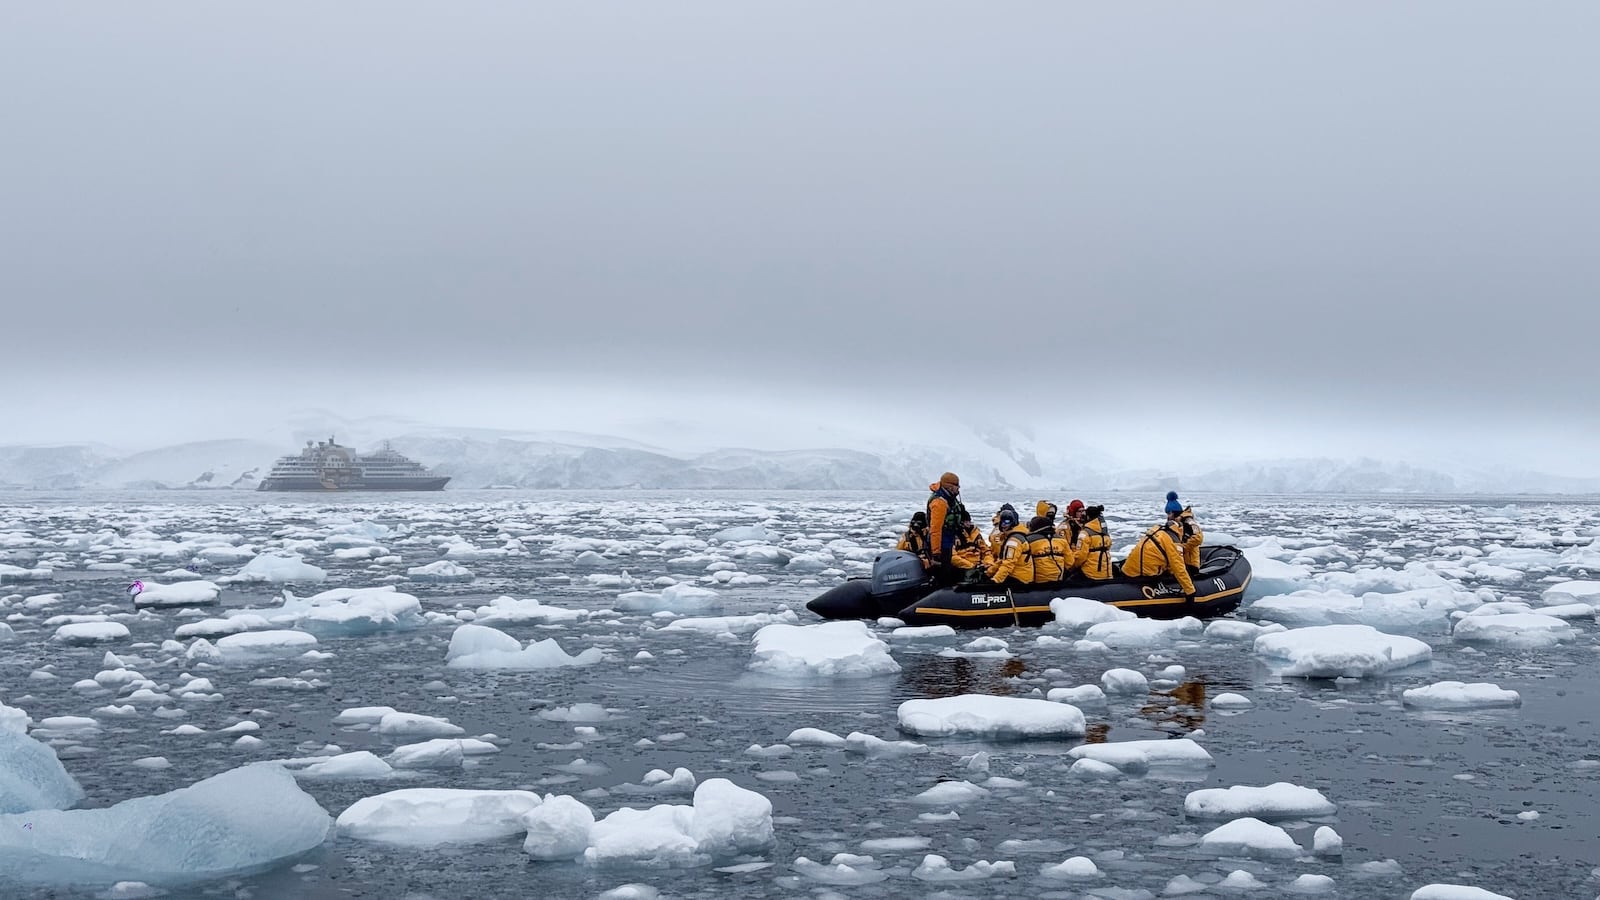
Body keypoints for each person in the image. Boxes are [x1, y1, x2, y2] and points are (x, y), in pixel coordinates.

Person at [1120, 491, 1197, 602]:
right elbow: (1178, 567)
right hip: (1142, 575)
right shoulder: (1173, 540)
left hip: (1128, 570)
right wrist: (1190, 591)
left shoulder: (1157, 529)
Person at [924, 472, 968, 574]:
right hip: (940, 543)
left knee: (948, 566)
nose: (958, 488)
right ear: (950, 486)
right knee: (943, 570)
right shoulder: (939, 503)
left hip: (948, 540)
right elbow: (935, 529)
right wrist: (936, 552)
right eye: (957, 485)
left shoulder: (950, 498)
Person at [1065, 499, 1113, 580]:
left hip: (1090, 574)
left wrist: (1071, 568)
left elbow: (1080, 556)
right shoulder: (1105, 533)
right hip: (1106, 573)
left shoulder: (1085, 534)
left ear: (1088, 517)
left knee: (1068, 581)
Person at [1023, 514, 1075, 584]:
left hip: (1037, 583)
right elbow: (1070, 563)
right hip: (1058, 580)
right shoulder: (1062, 540)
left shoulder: (1028, 541)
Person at [987, 510, 1033, 586]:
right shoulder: (1008, 538)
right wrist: (989, 572)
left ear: (1013, 522)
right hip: (1015, 574)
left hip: (1019, 578)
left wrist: (996, 580)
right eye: (1002, 522)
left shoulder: (1013, 541)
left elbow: (1008, 564)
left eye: (1007, 522)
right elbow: (1002, 560)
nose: (1004, 525)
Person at [950, 509, 992, 574]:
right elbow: (952, 557)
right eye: (965, 522)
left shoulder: (977, 535)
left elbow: (986, 552)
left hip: (980, 565)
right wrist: (971, 566)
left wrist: (988, 563)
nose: (968, 524)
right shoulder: (954, 536)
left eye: (969, 521)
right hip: (964, 567)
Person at [1177, 499, 1204, 570]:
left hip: (1190, 563)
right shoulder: (1179, 524)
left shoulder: (1190, 523)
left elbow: (1198, 538)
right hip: (1182, 562)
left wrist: (1182, 548)